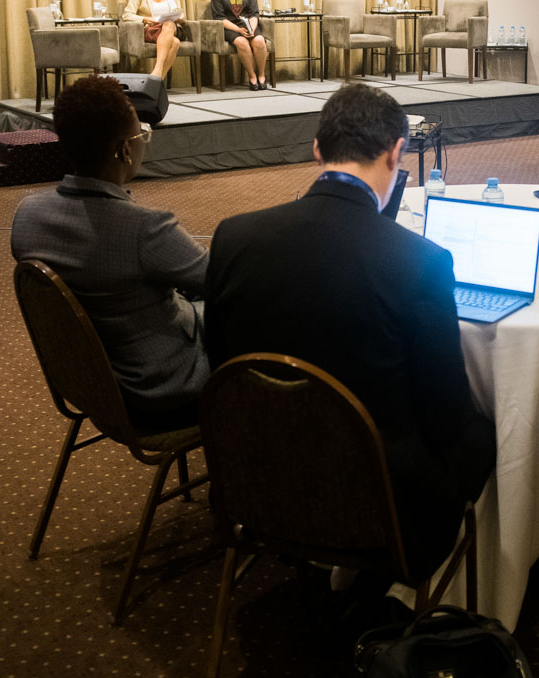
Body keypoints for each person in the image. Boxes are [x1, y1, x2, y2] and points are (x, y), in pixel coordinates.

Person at [203, 84, 494, 577]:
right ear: (396, 152)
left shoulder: (233, 236)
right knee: (490, 432)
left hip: (256, 479)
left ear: (317, 150)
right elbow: (446, 420)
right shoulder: (421, 261)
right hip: (382, 512)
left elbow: (220, 365)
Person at [10, 74, 208, 432]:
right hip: (161, 392)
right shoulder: (144, 229)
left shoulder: (27, 216)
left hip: (93, 385)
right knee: (262, 308)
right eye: (141, 134)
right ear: (124, 151)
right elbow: (221, 279)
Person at [210, 0, 269, 90]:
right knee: (242, 42)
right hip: (230, 27)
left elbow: (254, 13)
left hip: (248, 25)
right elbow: (219, 17)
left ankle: (261, 75)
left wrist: (252, 28)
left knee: (259, 41)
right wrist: (237, 30)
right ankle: (252, 76)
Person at [122, 0, 183, 79]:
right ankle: (158, 79)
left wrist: (180, 16)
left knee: (169, 24)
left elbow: (178, 9)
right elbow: (127, 15)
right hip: (151, 29)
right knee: (175, 43)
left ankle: (157, 70)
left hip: (170, 27)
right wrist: (146, 19)